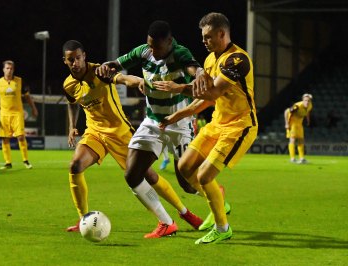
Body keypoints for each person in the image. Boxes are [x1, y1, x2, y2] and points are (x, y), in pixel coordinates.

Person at [61, 40, 202, 238]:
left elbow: (124, 79)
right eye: (70, 60)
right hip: (94, 133)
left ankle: (185, 212)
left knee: (149, 176)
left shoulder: (100, 72)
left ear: (84, 56)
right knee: (75, 166)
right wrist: (72, 127)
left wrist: (140, 83)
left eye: (78, 58)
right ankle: (83, 218)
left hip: (120, 133)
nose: (75, 62)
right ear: (65, 61)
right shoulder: (68, 84)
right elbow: (72, 103)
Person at [153, 12, 258, 244]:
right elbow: (207, 100)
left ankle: (223, 229)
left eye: (208, 37)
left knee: (204, 174)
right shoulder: (211, 60)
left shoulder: (237, 60)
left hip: (239, 126)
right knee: (185, 166)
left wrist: (178, 87)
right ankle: (221, 203)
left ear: (222, 34)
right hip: (217, 122)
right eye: (203, 37)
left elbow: (212, 92)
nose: (204, 41)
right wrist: (178, 115)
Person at [96, 20, 202, 199]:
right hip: (153, 122)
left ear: (169, 41)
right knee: (132, 175)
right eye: (150, 46)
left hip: (179, 124)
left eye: (157, 47)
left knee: (187, 184)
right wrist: (106, 66)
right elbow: (117, 64)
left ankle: (217, 199)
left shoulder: (179, 53)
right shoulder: (143, 51)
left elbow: (193, 67)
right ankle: (166, 222)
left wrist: (200, 73)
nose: (153, 51)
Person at [0, 60, 38, 170]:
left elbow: (27, 97)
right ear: (3, 69)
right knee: (4, 138)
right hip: (4, 114)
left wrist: (34, 108)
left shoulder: (19, 81)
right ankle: (8, 162)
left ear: (13, 70)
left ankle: (26, 160)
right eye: (7, 68)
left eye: (11, 68)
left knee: (20, 136)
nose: (9, 70)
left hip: (17, 113)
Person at [284, 93, 313, 164]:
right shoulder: (297, 106)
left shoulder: (310, 106)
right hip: (292, 123)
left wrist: (308, 120)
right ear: (303, 100)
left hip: (299, 124)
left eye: (308, 100)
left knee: (301, 140)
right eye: (305, 100)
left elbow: (307, 112)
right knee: (292, 140)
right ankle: (292, 158)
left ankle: (302, 158)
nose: (307, 102)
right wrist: (287, 123)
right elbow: (286, 112)